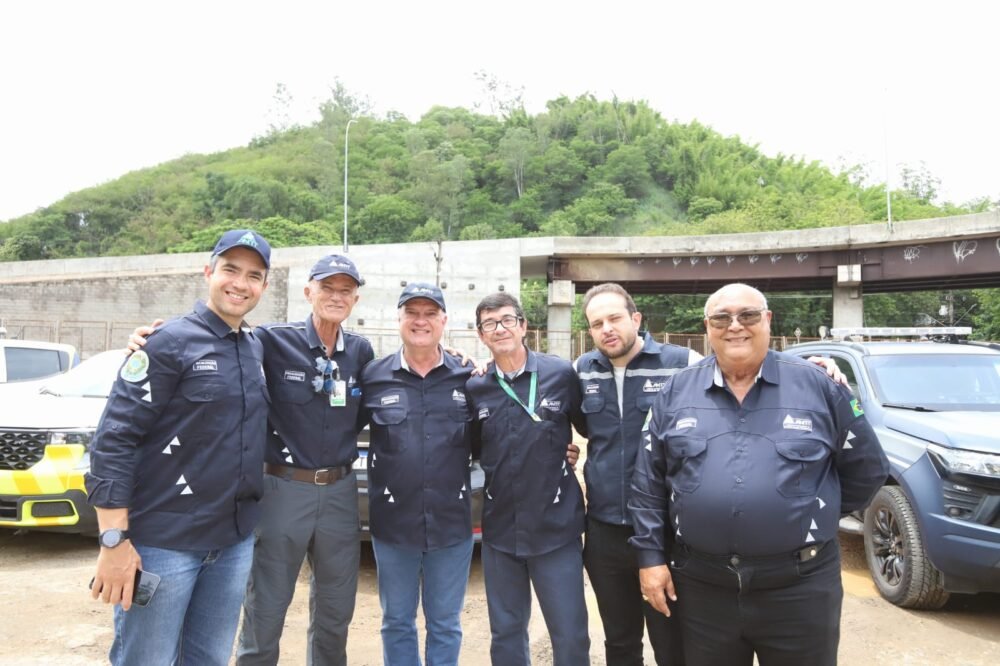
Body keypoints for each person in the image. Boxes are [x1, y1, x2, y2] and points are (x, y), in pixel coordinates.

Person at [629, 283, 889, 666]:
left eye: (748, 315)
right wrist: (650, 559)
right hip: (703, 590)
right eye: (722, 318)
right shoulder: (675, 392)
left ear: (767, 319)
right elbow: (648, 483)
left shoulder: (819, 386)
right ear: (707, 327)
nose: (735, 326)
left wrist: (807, 512)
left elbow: (867, 468)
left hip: (799, 589)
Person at [85, 229, 272, 665]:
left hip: (232, 543)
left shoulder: (255, 347)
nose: (240, 284)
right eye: (230, 270)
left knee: (209, 659)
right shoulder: (167, 342)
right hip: (164, 546)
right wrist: (113, 540)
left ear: (264, 286)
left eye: (253, 276)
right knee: (146, 660)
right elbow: (114, 440)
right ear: (208, 272)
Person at [237, 254, 374, 665]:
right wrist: (155, 336)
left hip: (340, 492)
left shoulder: (360, 352)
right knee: (266, 606)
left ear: (355, 299)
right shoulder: (273, 340)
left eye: (346, 290)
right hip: (283, 489)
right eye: (327, 287)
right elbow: (221, 344)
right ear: (308, 292)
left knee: (336, 609)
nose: (336, 296)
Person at [574, 283, 697, 665]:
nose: (607, 329)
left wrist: (817, 367)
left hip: (665, 532)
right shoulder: (581, 371)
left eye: (614, 318)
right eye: (597, 324)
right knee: (620, 642)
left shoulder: (683, 363)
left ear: (636, 319)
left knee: (672, 642)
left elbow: (741, 371)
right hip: (604, 532)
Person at [466, 292, 591, 666]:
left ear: (523, 326)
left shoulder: (560, 374)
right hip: (501, 531)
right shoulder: (476, 387)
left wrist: (571, 453)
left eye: (507, 320)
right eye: (490, 323)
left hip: (556, 529)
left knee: (569, 633)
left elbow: (589, 430)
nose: (500, 328)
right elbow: (475, 449)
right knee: (506, 633)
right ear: (481, 335)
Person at [359, 282, 476, 666]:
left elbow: (495, 434)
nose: (420, 321)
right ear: (398, 319)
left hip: (451, 524)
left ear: (444, 321)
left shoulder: (470, 376)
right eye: (412, 313)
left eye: (430, 314)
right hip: (393, 525)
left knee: (445, 624)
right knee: (396, 622)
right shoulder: (372, 376)